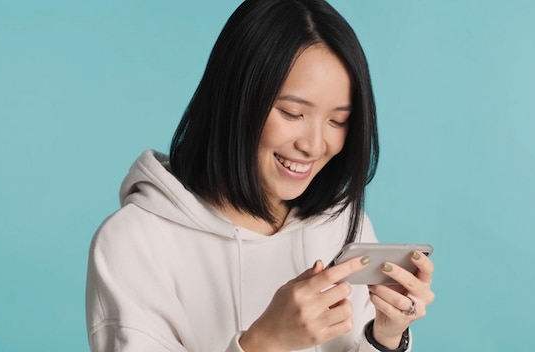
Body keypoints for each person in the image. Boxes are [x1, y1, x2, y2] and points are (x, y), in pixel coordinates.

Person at [85, 0, 435, 351]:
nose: (314, 145)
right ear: (234, 100)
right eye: (292, 112)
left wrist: (385, 336)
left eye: (337, 121)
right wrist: (265, 342)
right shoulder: (134, 242)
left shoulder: (342, 225)